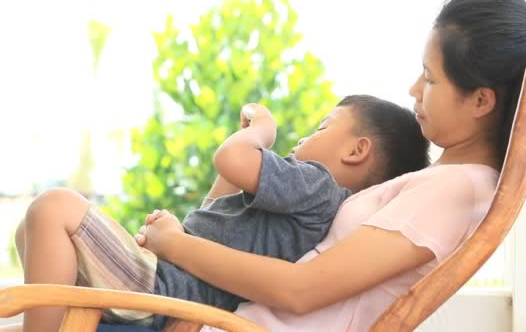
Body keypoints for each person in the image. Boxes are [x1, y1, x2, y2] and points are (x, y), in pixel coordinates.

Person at [132, 0, 526, 331]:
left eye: (430, 78)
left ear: (481, 100)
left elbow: (300, 290)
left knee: (69, 218)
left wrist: (178, 246)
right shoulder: (441, 182)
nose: (414, 88)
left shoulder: (454, 187)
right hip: (211, 314)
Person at [9, 95, 430, 331]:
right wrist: (176, 231)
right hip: (171, 284)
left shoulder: (317, 185)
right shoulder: (309, 204)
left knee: (55, 207)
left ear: (357, 151)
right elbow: (215, 212)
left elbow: (230, 159)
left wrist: (262, 131)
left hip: (164, 288)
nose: (305, 138)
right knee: (32, 233)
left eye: (322, 127)